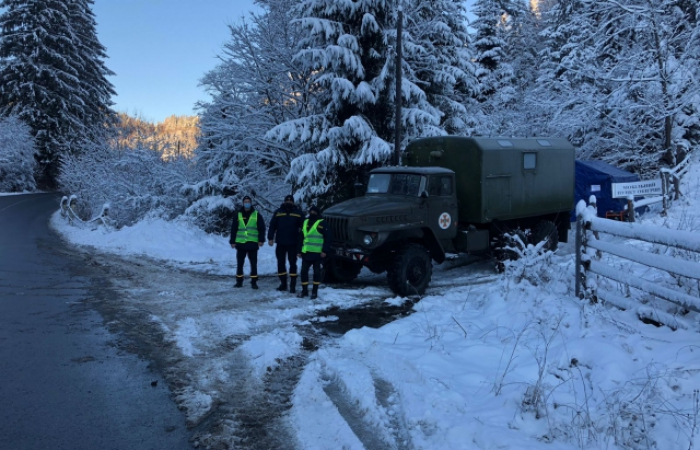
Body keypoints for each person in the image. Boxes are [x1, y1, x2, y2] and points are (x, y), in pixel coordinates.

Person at [267, 194, 305, 293]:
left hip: (293, 243)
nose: (288, 202)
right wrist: (270, 238)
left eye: (290, 201)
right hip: (281, 243)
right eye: (287, 200)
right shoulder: (278, 212)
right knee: (281, 264)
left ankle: (293, 285)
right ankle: (283, 284)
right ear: (284, 202)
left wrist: (302, 242)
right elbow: (272, 226)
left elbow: (304, 229)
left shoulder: (298, 213)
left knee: (293, 264)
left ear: (293, 202)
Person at [229, 195, 266, 289]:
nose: (247, 203)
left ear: (251, 203)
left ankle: (254, 282)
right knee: (240, 264)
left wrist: (261, 240)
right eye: (245, 202)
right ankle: (239, 281)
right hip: (241, 243)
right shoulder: (238, 214)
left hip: (252, 243)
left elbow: (262, 228)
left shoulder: (256, 214)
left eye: (248, 202)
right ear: (243, 203)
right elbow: (234, 229)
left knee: (253, 264)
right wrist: (232, 241)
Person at [297, 205, 332, 299]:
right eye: (311, 211)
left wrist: (325, 251)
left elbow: (328, 238)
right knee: (303, 272)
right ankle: (304, 291)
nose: (312, 213)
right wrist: (299, 251)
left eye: (314, 212)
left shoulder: (322, 223)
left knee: (317, 273)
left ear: (317, 213)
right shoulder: (305, 222)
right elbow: (301, 238)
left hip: (317, 253)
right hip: (306, 252)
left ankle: (314, 292)